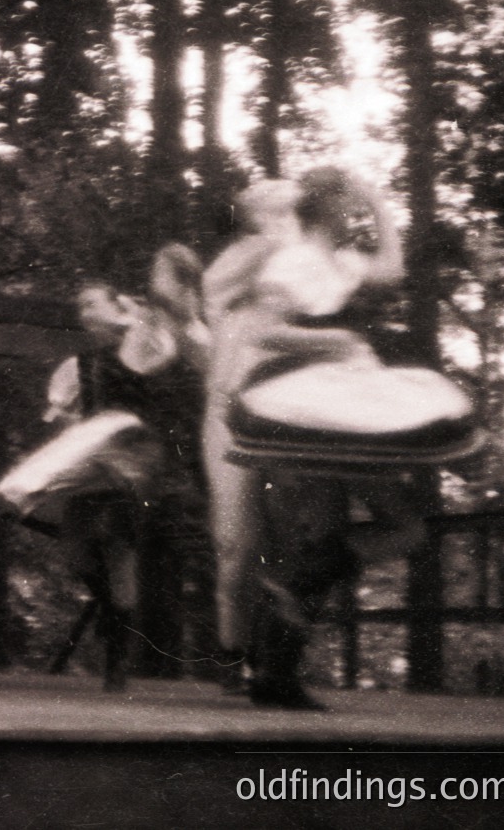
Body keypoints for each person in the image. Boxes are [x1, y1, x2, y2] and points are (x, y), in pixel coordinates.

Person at [220, 167, 482, 708]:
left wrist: (377, 200)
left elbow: (392, 267)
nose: (355, 219)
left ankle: (279, 646)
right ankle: (276, 673)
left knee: (403, 530)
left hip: (349, 401)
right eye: (350, 209)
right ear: (328, 212)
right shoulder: (295, 263)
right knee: (338, 533)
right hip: (308, 400)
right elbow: (263, 330)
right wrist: (335, 342)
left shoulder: (339, 263)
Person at [0, 271, 204, 691]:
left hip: (133, 457)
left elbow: (170, 347)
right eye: (81, 307)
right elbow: (64, 421)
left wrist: (139, 313)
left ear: (117, 306)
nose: (84, 313)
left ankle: (117, 662)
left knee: (119, 553)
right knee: (78, 556)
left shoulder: (145, 344)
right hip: (91, 459)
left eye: (92, 303)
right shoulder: (78, 366)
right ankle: (111, 614)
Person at [198, 179, 305, 692]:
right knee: (236, 544)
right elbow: (216, 288)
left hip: (292, 417)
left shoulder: (301, 275)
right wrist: (282, 237)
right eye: (277, 208)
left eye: (291, 209)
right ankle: (230, 655)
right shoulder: (233, 265)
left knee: (292, 539)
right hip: (230, 414)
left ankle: (274, 660)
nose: (287, 216)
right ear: (253, 214)